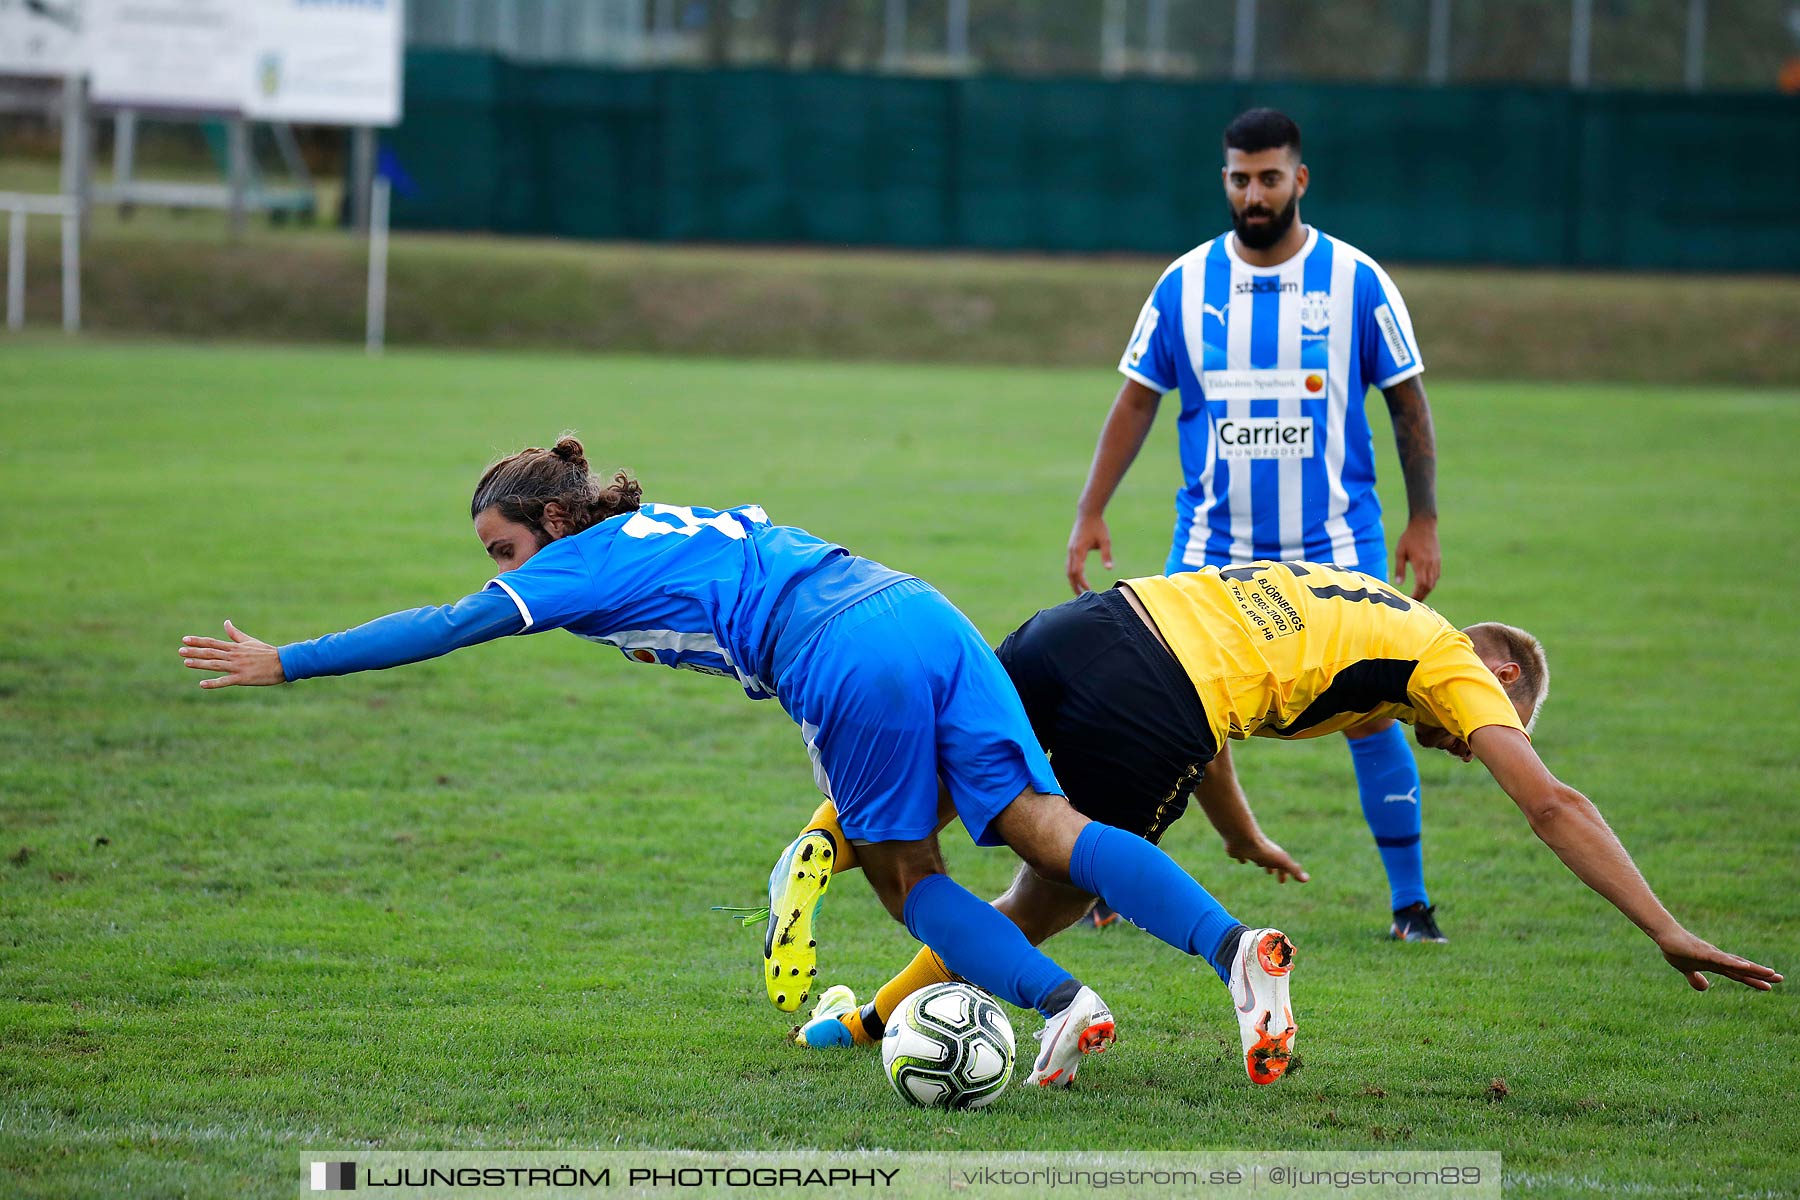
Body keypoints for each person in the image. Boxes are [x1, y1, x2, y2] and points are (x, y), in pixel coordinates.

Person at [177, 436, 1303, 1089]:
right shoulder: (657, 519)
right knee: (1042, 826)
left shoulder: (578, 566)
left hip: (837, 651)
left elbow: (444, 626)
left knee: (906, 876)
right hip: (919, 607)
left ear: (555, 522)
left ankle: (1059, 1003)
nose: (495, 572)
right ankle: (1231, 951)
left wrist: (291, 661)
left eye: (503, 550)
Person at [766, 562, 1781, 1052]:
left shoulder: (1370, 607)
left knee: (923, 796)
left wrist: (1238, 830)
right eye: (1506, 718)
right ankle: (889, 1023)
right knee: (1049, 887)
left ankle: (829, 858)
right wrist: (1664, 925)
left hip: (1084, 626)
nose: (1472, 744)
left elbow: (1223, 685)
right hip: (1156, 690)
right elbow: (1552, 804)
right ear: (1504, 668)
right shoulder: (1453, 663)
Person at [1067, 108, 1449, 941]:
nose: (1253, 192)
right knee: (1162, 711)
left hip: (1336, 544)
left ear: (1298, 180)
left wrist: (1422, 517)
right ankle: (1106, 878)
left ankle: (1411, 903)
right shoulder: (1183, 284)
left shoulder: (1356, 282)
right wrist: (1091, 508)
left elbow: (1406, 399)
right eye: (1239, 177)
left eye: (1269, 176)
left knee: (1378, 711)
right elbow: (1138, 397)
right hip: (1211, 546)